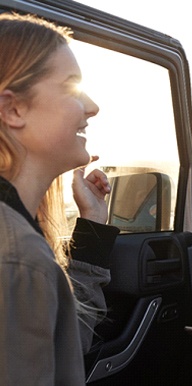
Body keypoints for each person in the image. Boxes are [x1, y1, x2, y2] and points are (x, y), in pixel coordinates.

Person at [0, 13, 119, 385]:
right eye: (71, 88)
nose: (92, 106)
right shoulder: (17, 256)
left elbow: (60, 343)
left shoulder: (20, 241)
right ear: (13, 109)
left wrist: (92, 227)